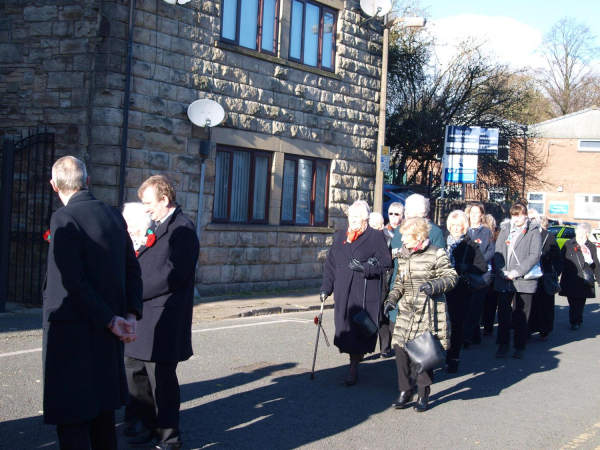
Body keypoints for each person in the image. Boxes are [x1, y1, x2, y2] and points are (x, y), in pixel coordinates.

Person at [42, 156, 143, 449]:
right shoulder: (113, 214)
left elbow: (73, 281)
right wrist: (130, 313)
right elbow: (131, 268)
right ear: (87, 181)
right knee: (102, 415)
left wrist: (112, 319)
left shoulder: (64, 218)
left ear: (54, 185)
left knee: (73, 418)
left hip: (74, 333)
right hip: (106, 328)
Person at [125, 175, 200, 450]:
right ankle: (147, 424)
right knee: (134, 372)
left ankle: (169, 437)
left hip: (164, 317)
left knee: (162, 383)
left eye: (148, 203)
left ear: (164, 200)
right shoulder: (153, 225)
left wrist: (135, 291)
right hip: (142, 315)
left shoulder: (184, 228)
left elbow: (173, 274)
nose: (145, 208)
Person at [383, 217, 457, 412]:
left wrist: (433, 285)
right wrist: (391, 300)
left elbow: (451, 277)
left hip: (427, 310)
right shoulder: (403, 255)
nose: (402, 240)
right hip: (406, 310)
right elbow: (399, 282)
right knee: (400, 351)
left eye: (406, 236)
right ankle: (405, 390)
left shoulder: (436, 253)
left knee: (422, 353)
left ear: (418, 236)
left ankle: (423, 394)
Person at [320, 200, 392, 385]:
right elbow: (331, 265)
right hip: (344, 292)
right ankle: (355, 357)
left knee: (358, 331)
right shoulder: (340, 237)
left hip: (363, 293)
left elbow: (386, 263)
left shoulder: (375, 236)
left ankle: (353, 367)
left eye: (357, 217)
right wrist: (326, 288)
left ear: (365, 219)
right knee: (344, 329)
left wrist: (365, 268)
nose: (353, 220)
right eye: (351, 216)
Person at [493, 202, 542, 359]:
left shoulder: (533, 231)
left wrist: (516, 272)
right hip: (504, 278)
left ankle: (519, 346)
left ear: (525, 214)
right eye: (514, 215)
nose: (517, 218)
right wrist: (502, 271)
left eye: (519, 215)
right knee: (503, 314)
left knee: (521, 314)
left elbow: (534, 255)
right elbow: (498, 251)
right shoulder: (505, 229)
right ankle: (503, 345)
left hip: (524, 280)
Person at [443, 210, 487, 373]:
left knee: (456, 325)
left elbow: (483, 266)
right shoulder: (442, 241)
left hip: (460, 291)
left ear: (464, 227)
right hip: (443, 289)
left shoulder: (471, 244)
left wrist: (467, 267)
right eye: (453, 225)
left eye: (458, 225)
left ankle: (453, 358)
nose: (455, 228)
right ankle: (440, 355)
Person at [464, 203, 495, 345]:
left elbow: (491, 251)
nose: (474, 215)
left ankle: (468, 336)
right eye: (472, 213)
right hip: (466, 272)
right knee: (467, 305)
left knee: (476, 306)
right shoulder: (466, 231)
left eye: (477, 213)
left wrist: (479, 262)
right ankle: (474, 335)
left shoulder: (486, 232)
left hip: (482, 275)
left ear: (482, 215)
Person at [528, 212, 562, 340]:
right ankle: (529, 328)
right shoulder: (527, 234)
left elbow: (557, 257)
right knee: (531, 303)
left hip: (545, 275)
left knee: (545, 304)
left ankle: (545, 329)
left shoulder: (549, 236)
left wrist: (555, 273)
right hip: (530, 275)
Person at [559, 222, 600, 330]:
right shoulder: (568, 244)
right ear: (576, 232)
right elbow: (561, 261)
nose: (582, 235)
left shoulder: (591, 246)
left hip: (584, 279)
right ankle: (576, 319)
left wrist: (599, 279)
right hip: (570, 278)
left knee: (580, 303)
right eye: (580, 232)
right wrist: (555, 274)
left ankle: (575, 321)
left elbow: (595, 263)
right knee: (572, 302)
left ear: (587, 234)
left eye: (584, 233)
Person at [482, 214, 499, 336]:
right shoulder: (496, 237)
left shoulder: (486, 237)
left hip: (490, 272)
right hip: (493, 272)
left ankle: (486, 326)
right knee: (490, 303)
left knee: (487, 301)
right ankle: (488, 327)